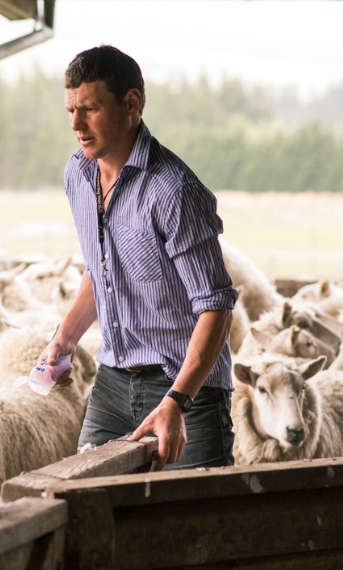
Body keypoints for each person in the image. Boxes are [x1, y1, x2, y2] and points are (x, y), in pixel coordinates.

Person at [39, 45, 238, 471]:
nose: (75, 124)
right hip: (112, 382)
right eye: (70, 110)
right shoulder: (78, 173)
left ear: (132, 103)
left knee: (197, 518)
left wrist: (177, 402)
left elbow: (216, 305)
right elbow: (103, 268)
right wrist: (67, 337)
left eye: (89, 109)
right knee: (90, 508)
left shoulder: (174, 191)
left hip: (189, 390)